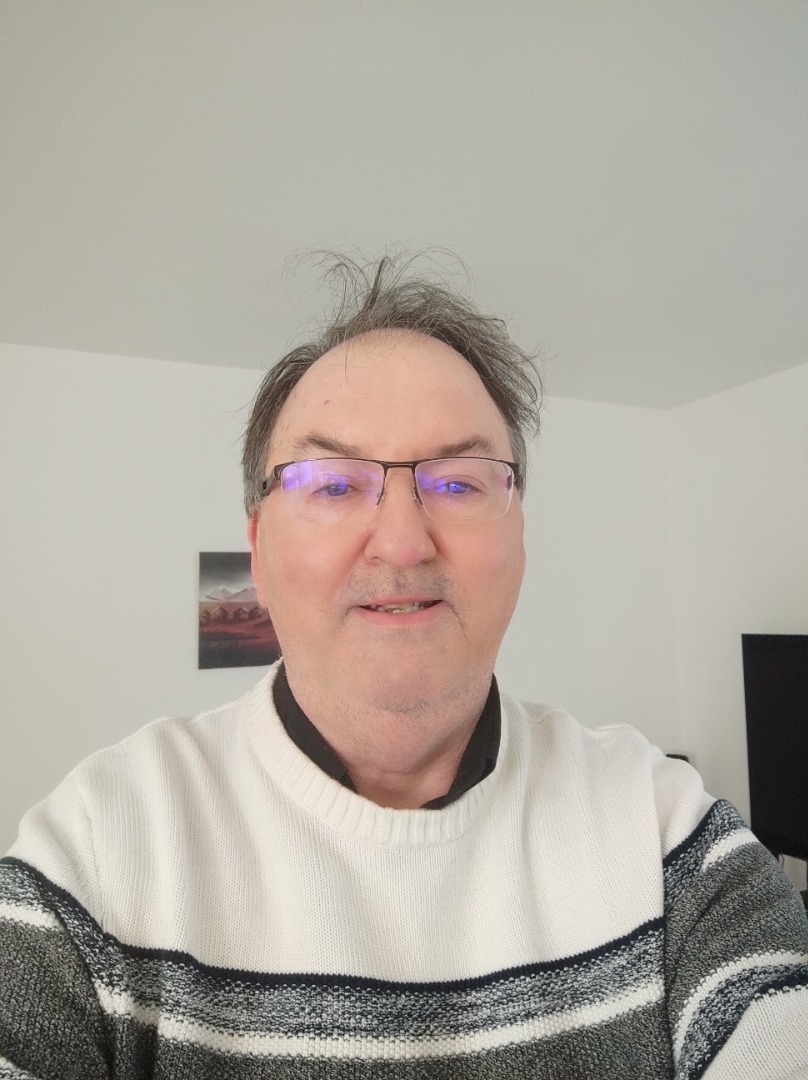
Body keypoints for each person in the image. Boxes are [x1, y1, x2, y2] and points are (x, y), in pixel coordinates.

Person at [1, 255, 806, 1080]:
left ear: (520, 538)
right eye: (331, 484)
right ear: (259, 550)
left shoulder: (664, 834)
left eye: (458, 484)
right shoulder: (98, 852)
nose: (402, 542)